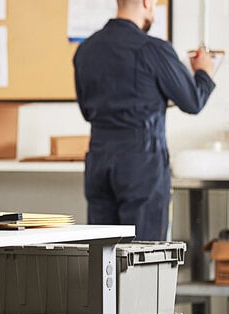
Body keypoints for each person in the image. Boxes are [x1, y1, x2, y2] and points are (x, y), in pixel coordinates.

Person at [73, 0, 216, 241]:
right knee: (144, 255)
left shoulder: (86, 50)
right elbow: (193, 101)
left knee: (104, 256)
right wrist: (203, 72)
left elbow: (87, 111)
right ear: (146, 2)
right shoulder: (153, 49)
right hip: (141, 164)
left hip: (98, 161)